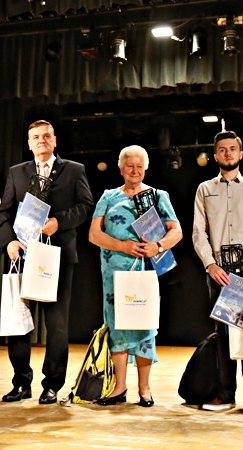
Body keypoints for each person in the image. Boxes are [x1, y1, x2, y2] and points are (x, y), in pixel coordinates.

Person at [0, 120, 94, 405]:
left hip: (57, 257)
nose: (41, 140)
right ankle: (21, 382)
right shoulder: (17, 172)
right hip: (22, 256)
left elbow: (85, 206)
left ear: (55, 140)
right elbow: (3, 213)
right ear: (29, 144)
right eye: (36, 137)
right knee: (19, 322)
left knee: (57, 324)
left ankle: (52, 384)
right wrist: (8, 242)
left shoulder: (74, 170)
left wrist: (58, 222)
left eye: (46, 136)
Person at [88, 145, 183, 407]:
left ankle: (145, 388)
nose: (135, 170)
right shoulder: (108, 196)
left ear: (145, 169)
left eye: (139, 166)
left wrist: (158, 246)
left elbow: (176, 231)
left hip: (144, 272)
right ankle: (119, 388)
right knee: (117, 326)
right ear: (121, 168)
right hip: (114, 274)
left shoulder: (158, 196)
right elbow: (94, 234)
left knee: (144, 325)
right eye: (130, 165)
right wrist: (122, 246)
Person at [192, 130, 243, 412]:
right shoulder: (205, 189)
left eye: (232, 149)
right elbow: (198, 232)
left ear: (241, 153)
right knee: (223, 335)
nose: (228, 153)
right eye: (222, 150)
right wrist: (210, 264)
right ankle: (226, 393)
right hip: (220, 273)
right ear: (215, 156)